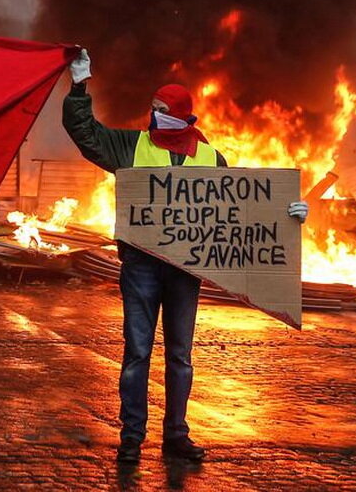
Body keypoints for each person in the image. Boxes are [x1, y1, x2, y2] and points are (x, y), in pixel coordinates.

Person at [62, 49, 308, 464]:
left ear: (182, 115)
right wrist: (79, 87)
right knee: (137, 351)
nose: (154, 116)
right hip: (141, 265)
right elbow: (86, 133)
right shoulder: (131, 145)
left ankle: (176, 435)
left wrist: (288, 215)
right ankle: (132, 437)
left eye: (162, 110)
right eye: (152, 109)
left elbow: (242, 210)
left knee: (180, 355)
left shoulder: (211, 159)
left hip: (185, 270)